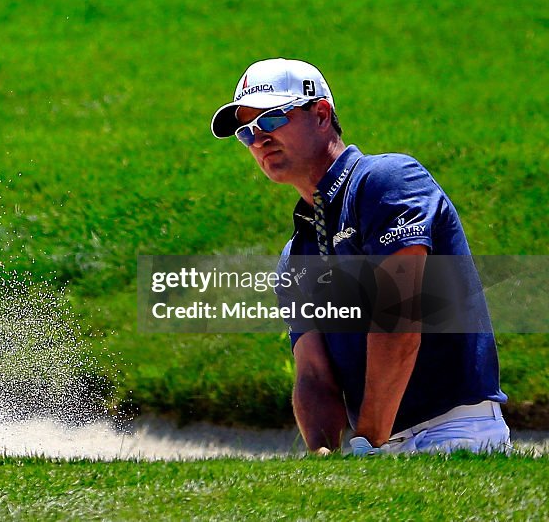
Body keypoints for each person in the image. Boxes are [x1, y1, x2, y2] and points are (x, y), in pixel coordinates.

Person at [209, 57, 510, 455]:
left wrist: (368, 440)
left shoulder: (386, 181)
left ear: (320, 114)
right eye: (246, 133)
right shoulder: (296, 255)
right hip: (378, 443)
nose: (258, 139)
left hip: (454, 430)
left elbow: (399, 323)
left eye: (270, 120)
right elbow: (314, 374)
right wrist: (324, 453)